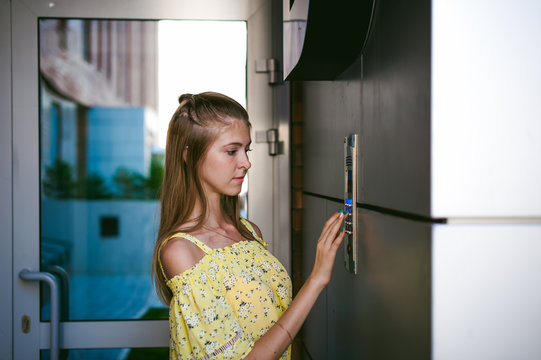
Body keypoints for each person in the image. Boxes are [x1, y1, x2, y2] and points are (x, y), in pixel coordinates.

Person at [152, 92, 345, 359]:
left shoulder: (249, 231)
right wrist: (316, 280)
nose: (246, 162)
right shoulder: (181, 252)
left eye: (246, 149)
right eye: (232, 151)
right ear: (189, 154)